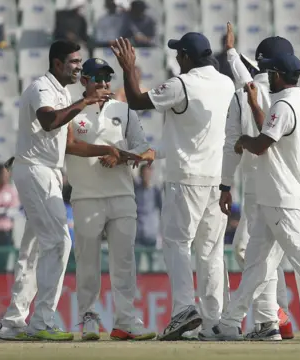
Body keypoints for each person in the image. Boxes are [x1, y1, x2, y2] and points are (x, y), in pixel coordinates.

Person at [199, 52, 300, 342]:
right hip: (277, 197)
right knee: (257, 263)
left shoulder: (283, 105)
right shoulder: (299, 102)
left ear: (278, 75)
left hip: (283, 198)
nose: (267, 78)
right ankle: (230, 322)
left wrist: (243, 141)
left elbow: (260, 144)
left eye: (270, 73)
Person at [0, 40, 124, 341]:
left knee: (34, 249)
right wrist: (83, 103)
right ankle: (41, 321)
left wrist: (107, 148)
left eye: (80, 62)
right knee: (59, 242)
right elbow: (49, 120)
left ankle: (13, 321)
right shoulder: (42, 87)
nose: (79, 67)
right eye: (74, 62)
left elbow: (69, 144)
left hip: (48, 172)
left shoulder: (63, 92)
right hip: (35, 169)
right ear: (57, 64)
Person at [111, 33, 235, 340]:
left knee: (178, 243)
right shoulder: (226, 83)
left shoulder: (182, 84)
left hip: (186, 178)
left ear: (188, 58)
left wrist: (129, 69)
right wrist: (159, 151)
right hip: (218, 179)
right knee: (211, 251)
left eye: (179, 55)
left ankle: (183, 309)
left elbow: (138, 101)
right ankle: (214, 322)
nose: (177, 60)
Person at [65, 57, 155, 341]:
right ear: (84, 81)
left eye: (107, 79)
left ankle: (126, 319)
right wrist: (108, 150)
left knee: (124, 261)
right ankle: (88, 317)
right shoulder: (73, 111)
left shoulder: (123, 110)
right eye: (97, 79)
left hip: (122, 195)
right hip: (86, 196)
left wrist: (121, 157)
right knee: (88, 261)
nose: (103, 85)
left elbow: (146, 151)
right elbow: (71, 146)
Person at [219, 26, 297, 340]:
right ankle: (280, 318)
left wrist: (225, 185)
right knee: (270, 256)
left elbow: (246, 84)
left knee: (251, 253)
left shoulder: (250, 93)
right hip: (286, 186)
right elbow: (247, 78)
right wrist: (231, 54)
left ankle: (276, 318)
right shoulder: (290, 95)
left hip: (264, 187)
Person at [133, 164, 162, 247]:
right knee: (136, 258)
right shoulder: (136, 191)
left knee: (152, 259)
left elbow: (161, 210)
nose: (147, 176)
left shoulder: (156, 191)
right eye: (145, 174)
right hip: (138, 232)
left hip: (152, 232)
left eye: (148, 174)